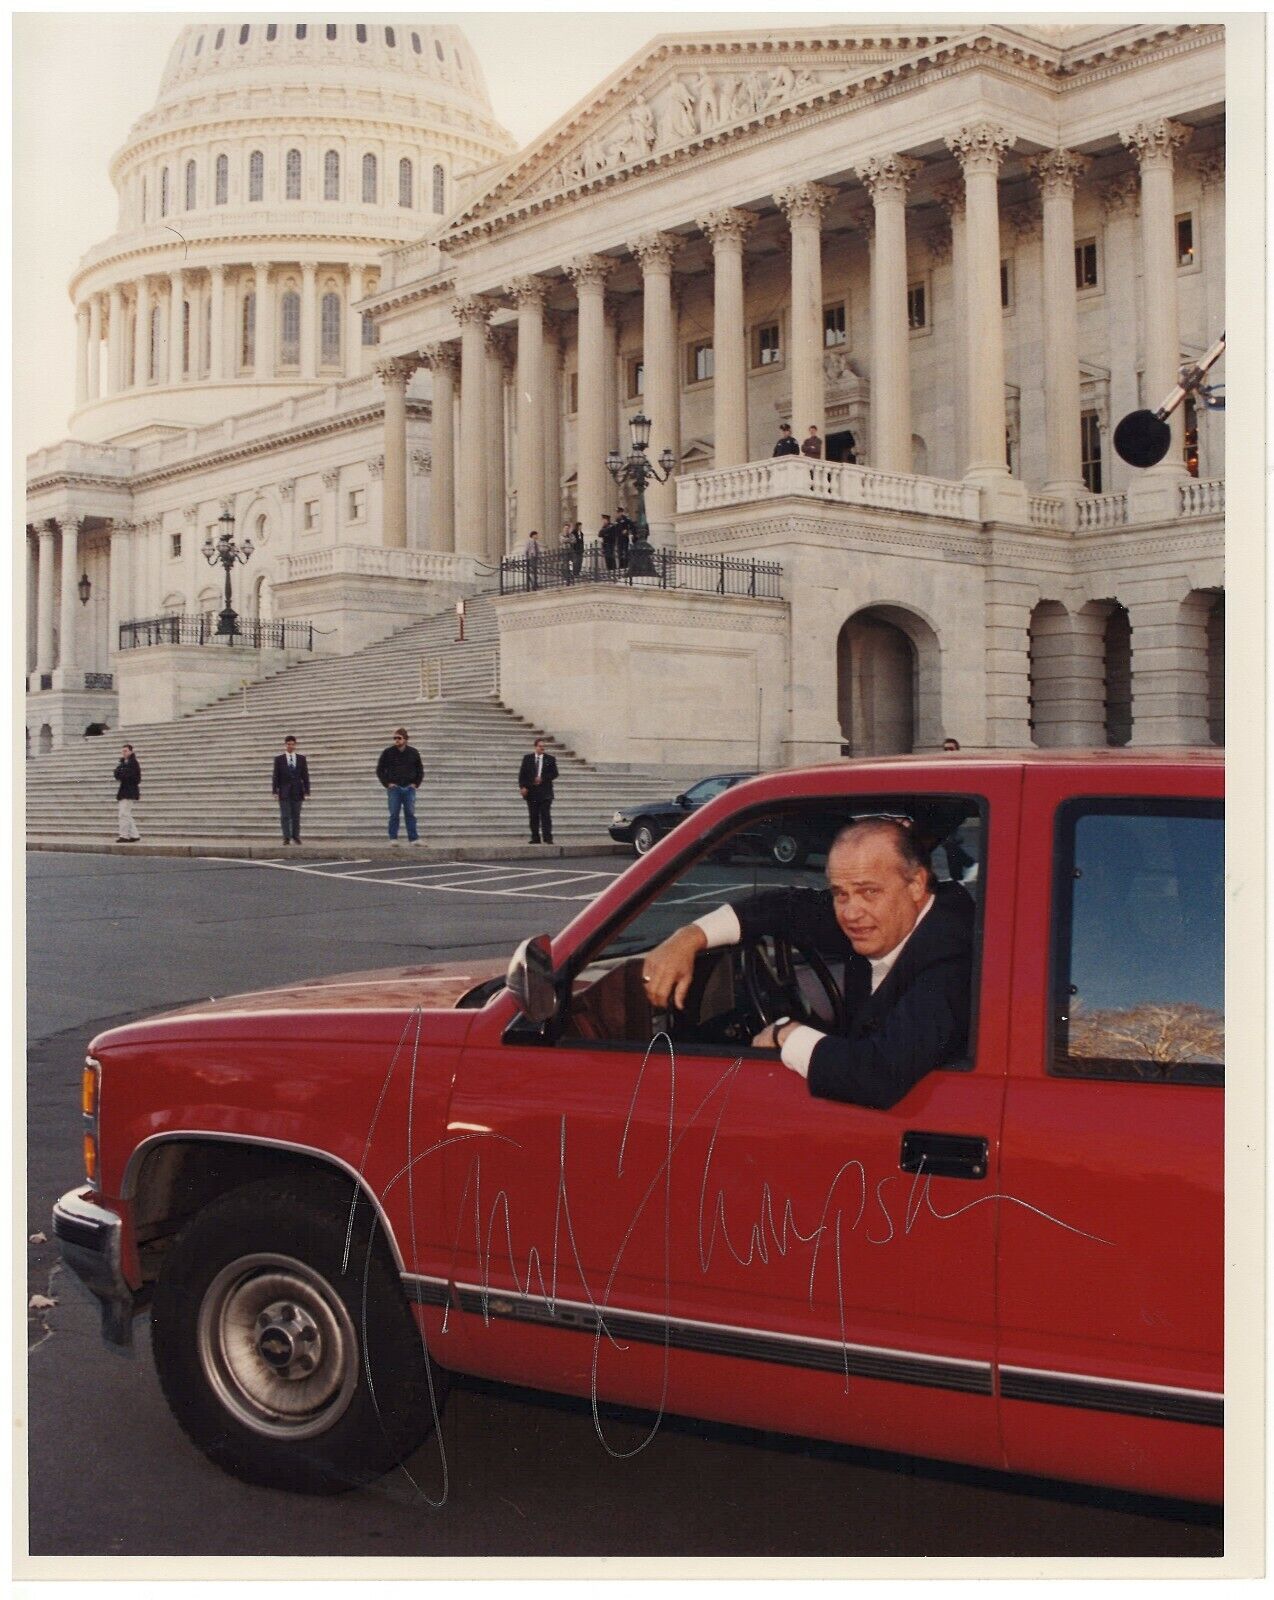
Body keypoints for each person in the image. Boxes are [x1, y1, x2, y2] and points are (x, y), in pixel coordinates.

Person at [642, 818, 973, 1110]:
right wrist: (690, 936)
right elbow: (785, 907)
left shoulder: (952, 956)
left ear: (916, 884)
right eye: (840, 893)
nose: (850, 912)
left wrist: (787, 1034)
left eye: (868, 891)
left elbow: (879, 1076)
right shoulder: (888, 917)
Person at [376, 726, 424, 844]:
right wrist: (387, 783)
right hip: (394, 788)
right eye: (395, 738)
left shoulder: (413, 752)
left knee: (410, 814)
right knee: (394, 814)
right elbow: (380, 769)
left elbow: (420, 770)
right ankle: (393, 838)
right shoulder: (388, 752)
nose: (396, 740)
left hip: (409, 788)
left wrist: (415, 784)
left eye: (399, 738)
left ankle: (413, 838)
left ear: (405, 739)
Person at [518, 737, 559, 844]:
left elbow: (555, 773)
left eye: (543, 746)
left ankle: (548, 838)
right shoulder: (527, 758)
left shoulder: (550, 759)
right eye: (540, 746)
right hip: (532, 792)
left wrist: (543, 778)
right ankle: (535, 837)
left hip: (545, 792)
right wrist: (523, 787)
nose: (542, 748)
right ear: (535, 747)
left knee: (545, 815)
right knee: (533, 816)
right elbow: (522, 775)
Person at [271, 735, 311, 846]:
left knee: (296, 815)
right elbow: (276, 776)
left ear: (295, 745)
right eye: (289, 744)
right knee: (285, 816)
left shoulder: (301, 759)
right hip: (284, 791)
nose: (291, 746)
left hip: (298, 791)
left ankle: (296, 836)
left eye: (293, 744)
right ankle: (286, 837)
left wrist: (307, 790)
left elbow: (305, 775)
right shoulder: (279, 759)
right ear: (285, 745)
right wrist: (275, 791)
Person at [113, 743, 141, 843]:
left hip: (130, 791)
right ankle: (134, 835)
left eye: (125, 751)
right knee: (126, 814)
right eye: (123, 751)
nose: (123, 753)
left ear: (131, 751)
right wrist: (122, 773)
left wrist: (122, 774)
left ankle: (124, 835)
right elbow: (116, 773)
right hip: (124, 790)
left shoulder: (133, 763)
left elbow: (133, 777)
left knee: (123, 814)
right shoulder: (123, 763)